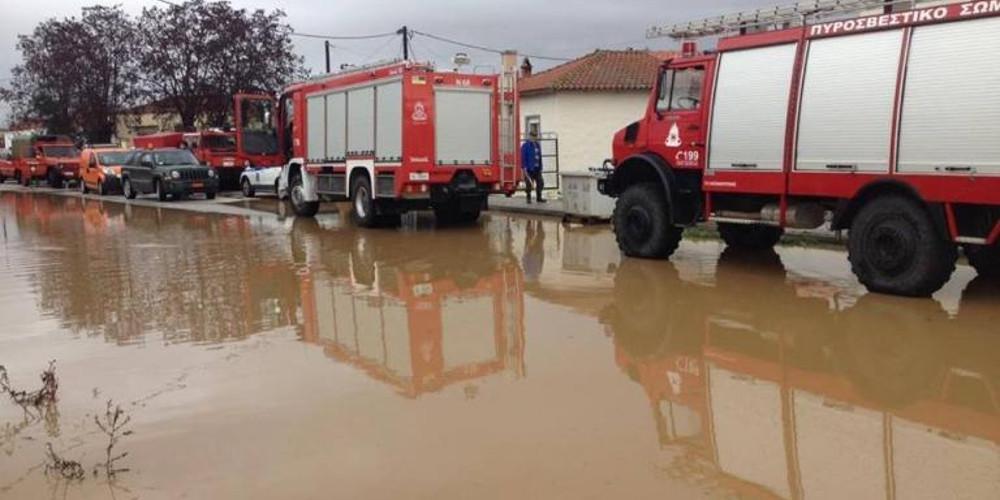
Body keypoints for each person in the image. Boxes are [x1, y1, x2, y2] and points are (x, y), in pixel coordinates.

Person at [520, 130, 545, 204]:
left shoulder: (537, 145)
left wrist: (540, 166)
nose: (534, 138)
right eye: (533, 136)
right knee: (529, 184)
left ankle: (539, 197)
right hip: (529, 168)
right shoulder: (525, 145)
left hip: (537, 168)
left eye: (535, 136)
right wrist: (523, 167)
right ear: (530, 136)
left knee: (540, 182)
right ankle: (528, 198)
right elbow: (523, 157)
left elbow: (539, 156)